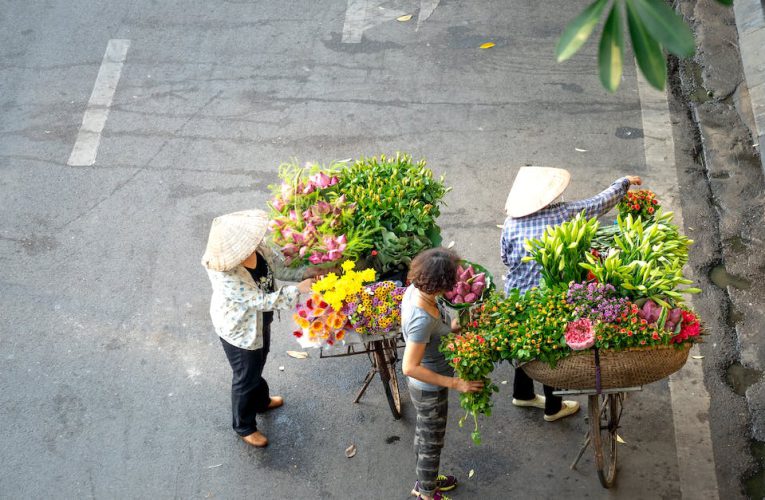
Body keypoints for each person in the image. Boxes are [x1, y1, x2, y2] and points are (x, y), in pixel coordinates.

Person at [500, 166, 642, 422]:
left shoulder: (510, 224)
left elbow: (506, 258)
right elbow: (599, 203)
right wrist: (623, 183)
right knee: (548, 351)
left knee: (524, 343)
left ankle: (522, 394)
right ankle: (553, 408)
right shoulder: (563, 214)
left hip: (516, 298)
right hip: (549, 298)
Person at [202, 209, 316, 448]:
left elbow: (280, 267)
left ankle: (261, 401)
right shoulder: (226, 275)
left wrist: (309, 272)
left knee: (259, 361)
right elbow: (259, 301)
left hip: (260, 321)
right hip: (240, 330)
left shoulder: (259, 248)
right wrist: (299, 290)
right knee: (245, 375)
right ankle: (243, 426)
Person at [401, 248, 484, 500]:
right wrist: (455, 383)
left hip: (428, 383)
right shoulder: (421, 318)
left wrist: (453, 327)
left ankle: (424, 479)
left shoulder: (418, 288)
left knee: (425, 434)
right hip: (428, 388)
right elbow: (409, 366)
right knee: (431, 442)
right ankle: (426, 493)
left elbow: (436, 329)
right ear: (441, 284)